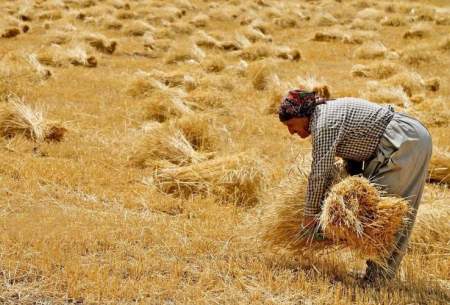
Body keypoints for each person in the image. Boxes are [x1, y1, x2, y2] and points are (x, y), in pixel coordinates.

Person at [278, 89, 432, 284]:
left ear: (303, 114)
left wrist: (309, 216)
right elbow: (354, 153)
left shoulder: (324, 123)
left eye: (291, 125)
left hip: (404, 141)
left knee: (384, 215)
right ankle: (376, 275)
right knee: (376, 213)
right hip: (403, 139)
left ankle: (378, 280)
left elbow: (320, 172)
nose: (291, 132)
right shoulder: (324, 114)